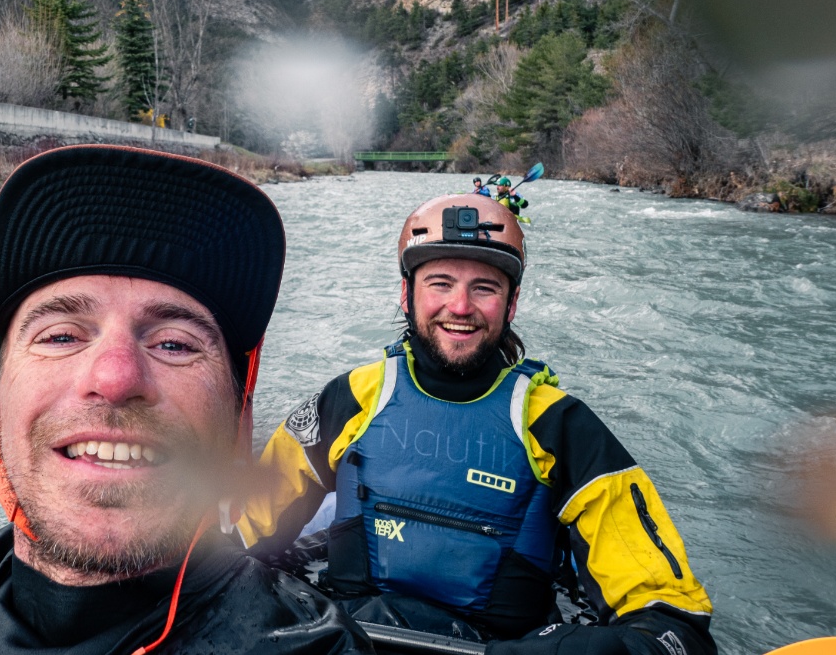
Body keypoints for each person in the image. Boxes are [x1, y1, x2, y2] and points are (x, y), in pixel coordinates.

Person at [0, 145, 371, 655]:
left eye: (174, 344)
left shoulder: (314, 649)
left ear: (239, 433)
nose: (116, 376)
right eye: (60, 336)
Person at [238, 193, 716, 655]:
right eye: (440, 283)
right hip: (352, 640)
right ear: (407, 295)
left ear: (511, 305)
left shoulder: (559, 425)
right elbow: (240, 533)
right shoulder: (348, 400)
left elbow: (673, 618)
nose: (460, 307)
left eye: (483, 288)